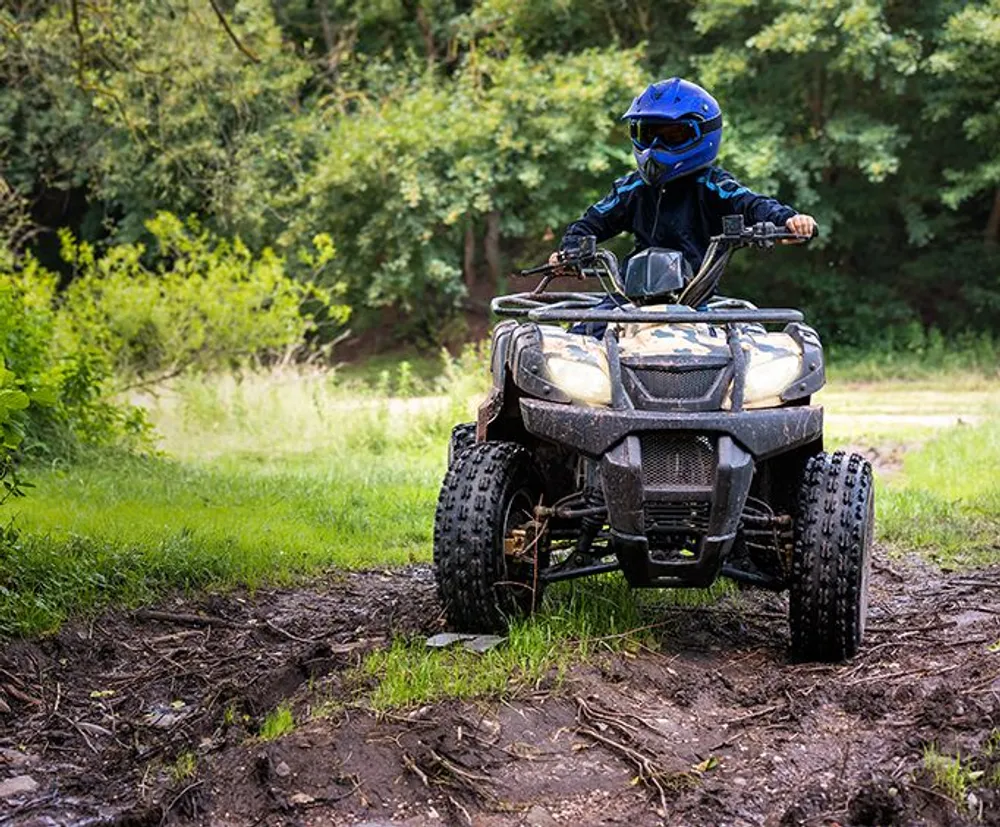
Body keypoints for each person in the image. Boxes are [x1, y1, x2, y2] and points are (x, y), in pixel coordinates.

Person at [550, 77, 817, 280]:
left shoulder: (713, 185)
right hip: (631, 301)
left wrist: (788, 220)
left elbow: (751, 203)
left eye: (673, 135)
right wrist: (570, 252)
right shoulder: (631, 189)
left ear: (704, 134)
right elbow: (589, 223)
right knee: (580, 338)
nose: (656, 145)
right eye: (648, 133)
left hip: (697, 300)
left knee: (752, 347)